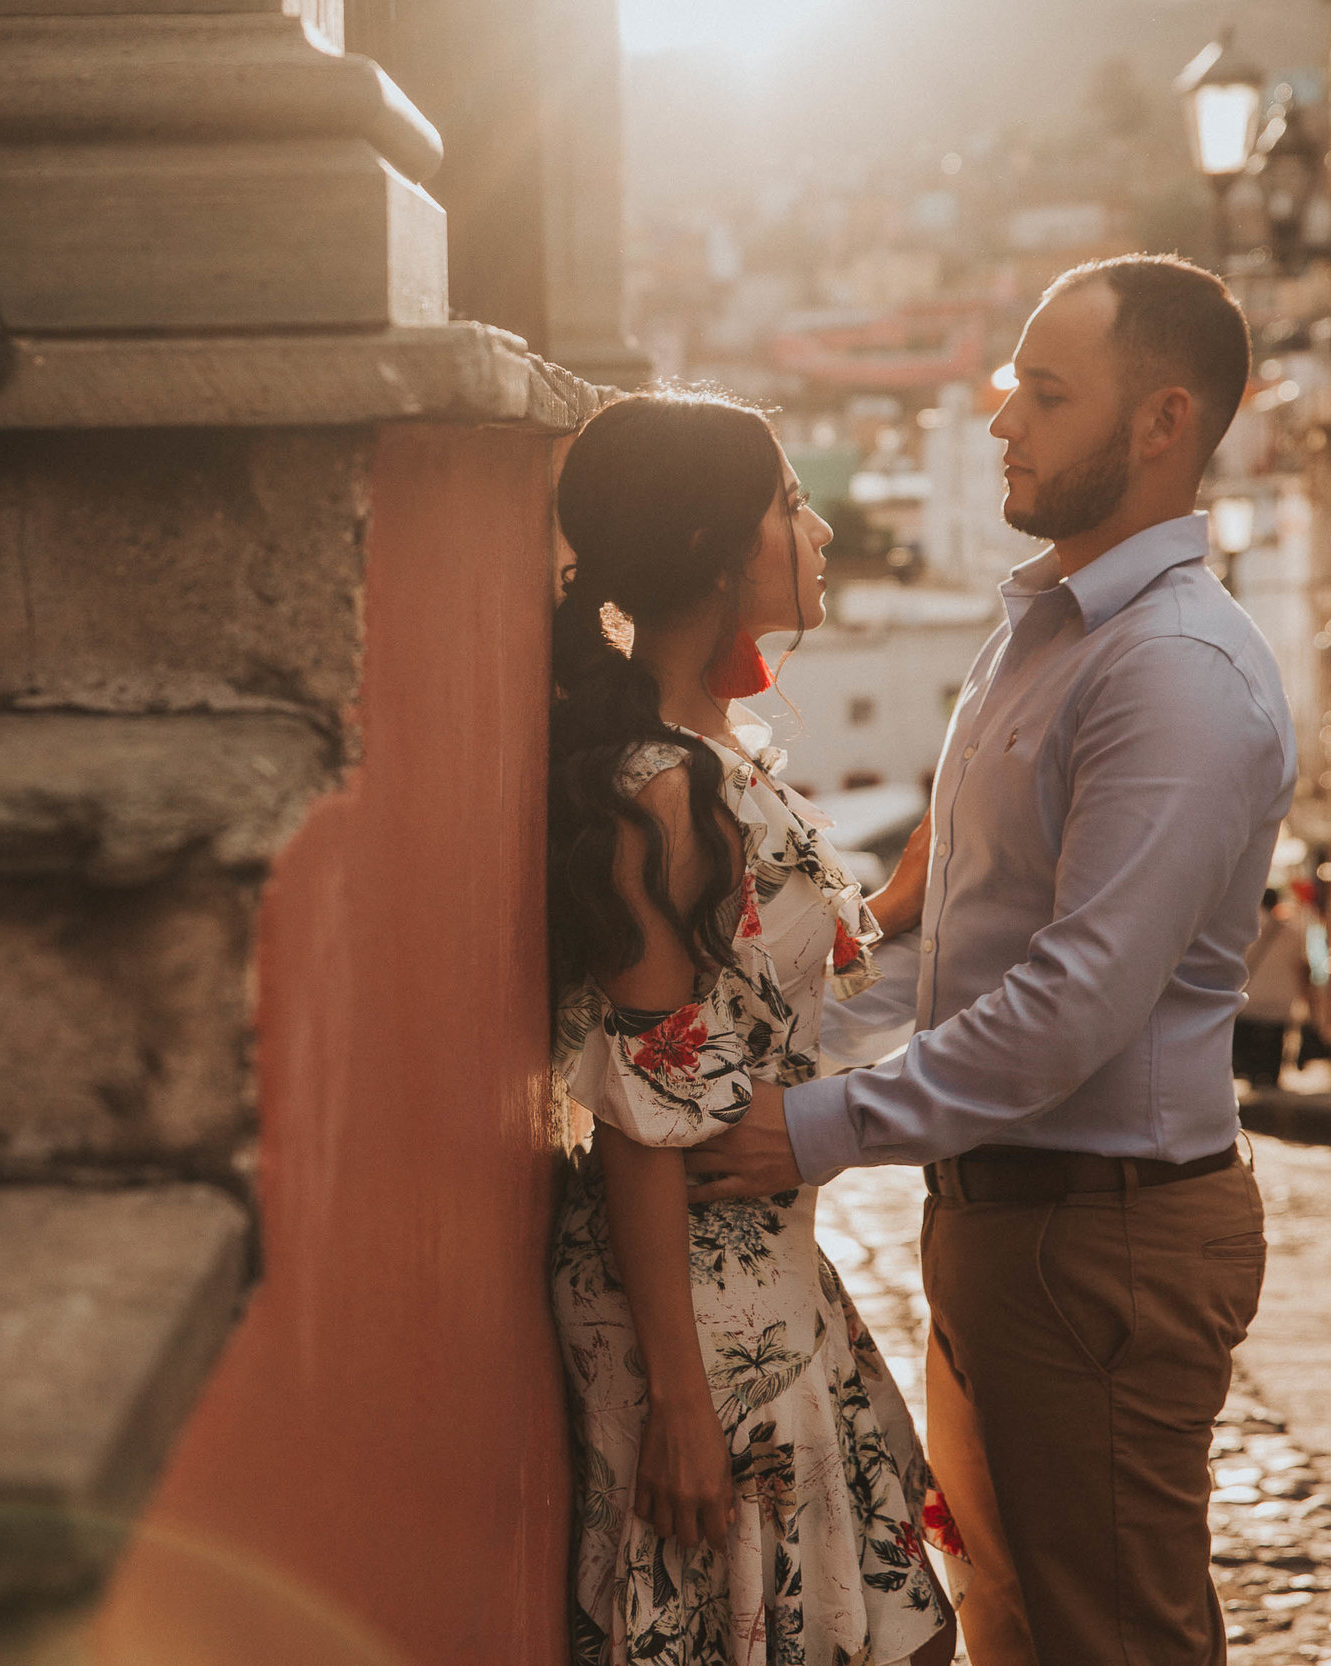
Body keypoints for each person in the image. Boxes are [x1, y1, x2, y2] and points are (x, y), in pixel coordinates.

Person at [683, 255, 1297, 1666]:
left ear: (1162, 422)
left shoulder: (1175, 668)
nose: (1002, 418)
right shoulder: (1045, 634)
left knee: (1114, 1635)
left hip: (1103, 1238)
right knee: (1016, 1623)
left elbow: (1076, 1002)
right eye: (1010, 381)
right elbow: (951, 947)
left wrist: (817, 1126)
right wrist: (780, 1041)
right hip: (1010, 1224)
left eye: (1048, 390)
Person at [546, 390, 963, 1665]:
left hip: (765, 1274)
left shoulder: (715, 756)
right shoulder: (661, 786)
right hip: (691, 1311)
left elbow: (776, 997)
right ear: (714, 553)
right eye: (790, 502)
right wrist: (679, 1396)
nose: (822, 525)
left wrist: (949, 853)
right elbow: (640, 1108)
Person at [1236, 888, 1312, 1088]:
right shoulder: (1292, 932)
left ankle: (1251, 1074)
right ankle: (1271, 1076)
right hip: (1282, 996)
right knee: (1276, 1039)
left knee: (1250, 1038)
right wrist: (1307, 996)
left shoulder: (1245, 929)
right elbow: (1302, 966)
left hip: (1251, 993)